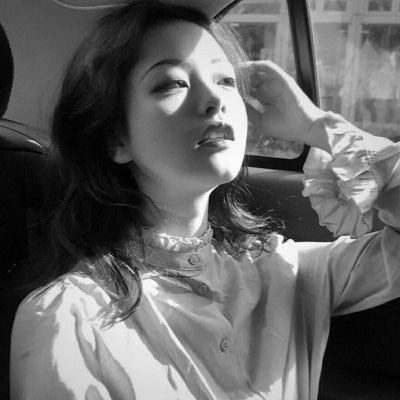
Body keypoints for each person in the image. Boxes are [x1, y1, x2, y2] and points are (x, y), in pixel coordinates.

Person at [10, 1, 400, 399]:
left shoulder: (288, 272)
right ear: (115, 138)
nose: (215, 98)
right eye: (171, 83)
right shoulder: (69, 318)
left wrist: (316, 125)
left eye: (226, 81)